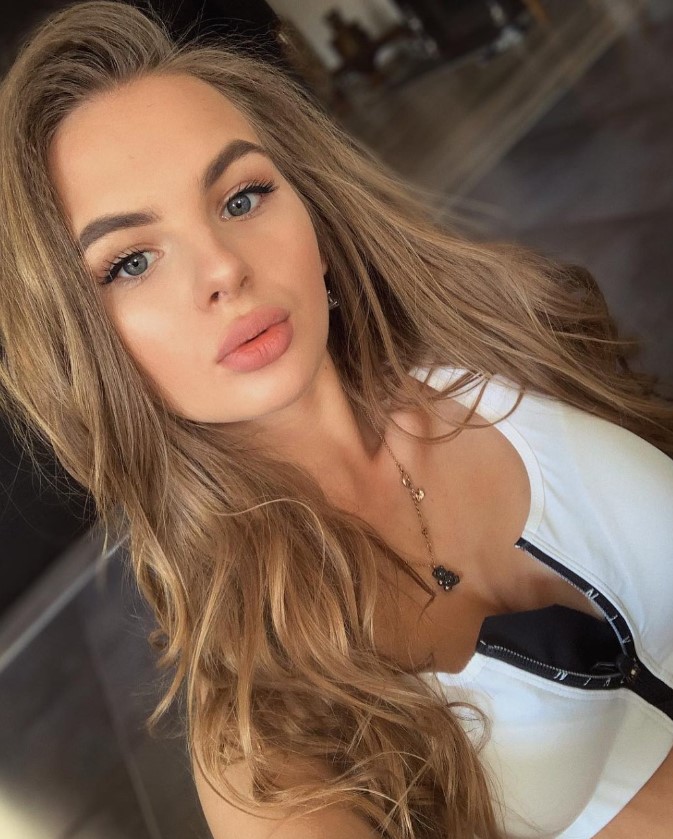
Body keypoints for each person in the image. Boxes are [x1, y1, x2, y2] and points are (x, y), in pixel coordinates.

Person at [0, 3, 671, 837]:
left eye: (242, 197)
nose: (223, 268)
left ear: (309, 207)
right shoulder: (263, 734)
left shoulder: (502, 338)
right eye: (131, 261)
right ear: (81, 346)